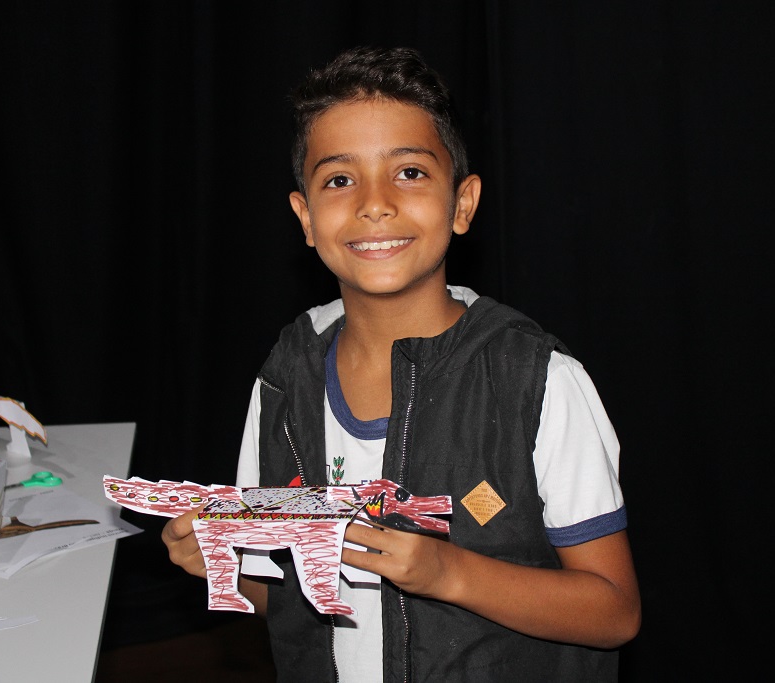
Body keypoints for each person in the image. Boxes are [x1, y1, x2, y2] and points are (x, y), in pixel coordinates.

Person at [162, 45, 641, 681]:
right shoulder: (285, 379)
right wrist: (219, 562)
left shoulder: (537, 381)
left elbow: (614, 612)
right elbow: (287, 602)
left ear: (462, 203)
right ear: (305, 217)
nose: (375, 203)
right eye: (339, 179)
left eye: (409, 172)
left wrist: (449, 572)